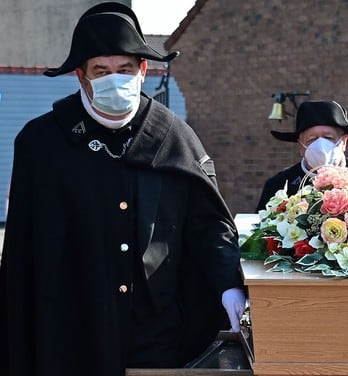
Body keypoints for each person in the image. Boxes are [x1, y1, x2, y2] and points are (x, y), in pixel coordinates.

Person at [0, 3, 246, 375]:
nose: (115, 79)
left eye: (125, 69)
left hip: (156, 335)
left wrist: (229, 285)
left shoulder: (173, 136)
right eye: (102, 71)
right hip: (71, 331)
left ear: (143, 71)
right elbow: (22, 248)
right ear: (81, 76)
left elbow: (210, 225)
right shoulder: (42, 142)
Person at [256, 99, 348, 211]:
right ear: (300, 146)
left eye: (328, 138)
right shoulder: (278, 186)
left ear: (344, 141)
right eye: (312, 139)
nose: (321, 146)